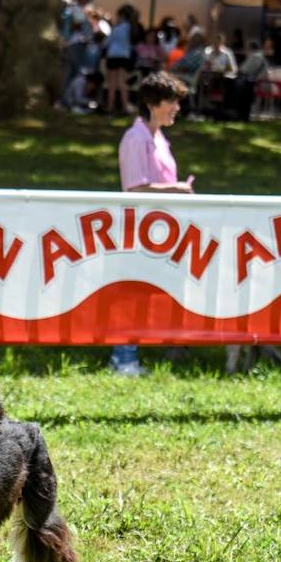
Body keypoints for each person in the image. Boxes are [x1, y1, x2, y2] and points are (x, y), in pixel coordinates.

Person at [113, 72, 193, 377]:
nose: (177, 108)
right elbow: (135, 188)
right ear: (151, 103)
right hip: (140, 228)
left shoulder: (158, 137)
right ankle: (123, 359)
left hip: (160, 230)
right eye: (171, 101)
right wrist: (178, 190)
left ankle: (170, 343)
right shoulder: (136, 138)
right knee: (133, 293)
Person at [61, 0, 94, 105]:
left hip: (74, 43)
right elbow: (77, 25)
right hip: (76, 43)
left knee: (71, 72)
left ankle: (67, 99)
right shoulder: (77, 9)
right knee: (73, 73)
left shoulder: (74, 9)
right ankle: (67, 99)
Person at [104, 5, 136, 114]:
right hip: (124, 57)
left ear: (121, 15)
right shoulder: (132, 28)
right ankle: (125, 106)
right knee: (122, 83)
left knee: (112, 83)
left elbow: (107, 41)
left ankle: (110, 107)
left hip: (113, 56)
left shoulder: (117, 28)